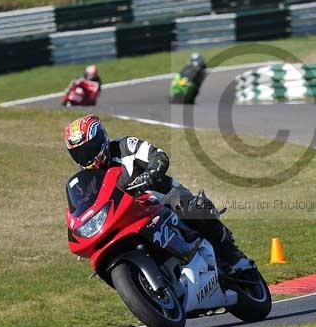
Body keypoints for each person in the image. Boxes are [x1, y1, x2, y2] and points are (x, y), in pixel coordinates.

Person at [63, 114, 251, 271]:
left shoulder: (124, 145)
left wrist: (151, 172)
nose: (86, 157)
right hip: (128, 217)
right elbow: (87, 207)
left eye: (89, 149)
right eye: (79, 153)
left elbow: (157, 155)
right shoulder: (87, 181)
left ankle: (232, 255)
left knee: (193, 207)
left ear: (101, 139)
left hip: (160, 195)